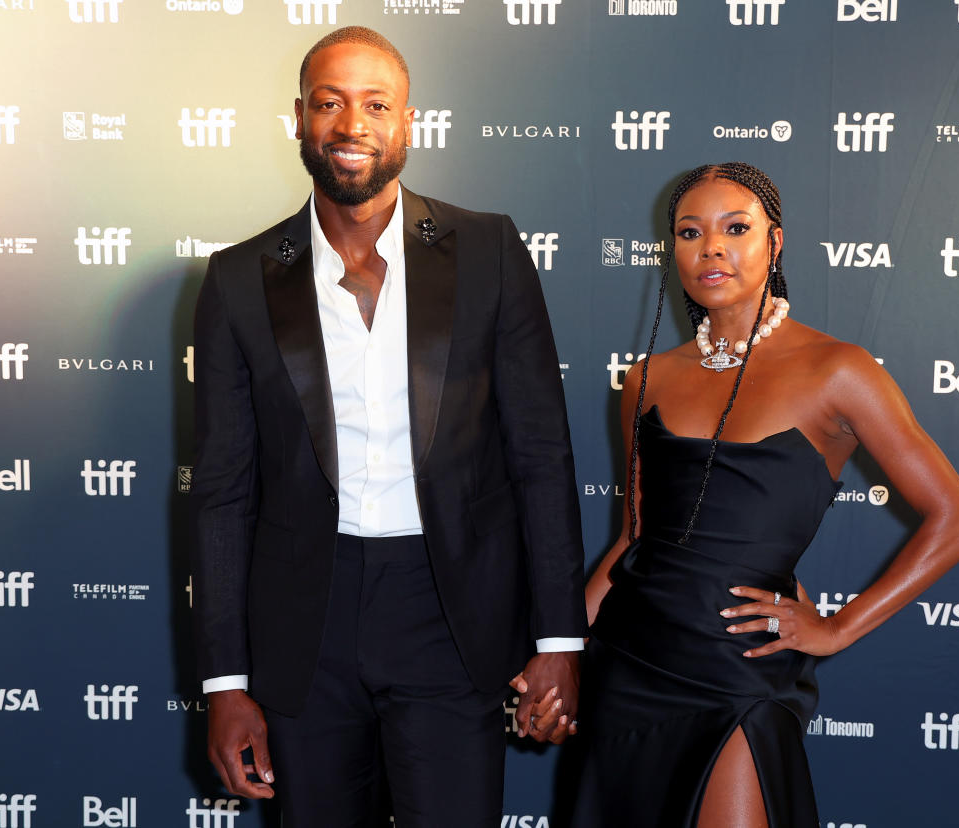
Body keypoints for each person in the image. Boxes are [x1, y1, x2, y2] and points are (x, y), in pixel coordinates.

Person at [188, 26, 585, 827]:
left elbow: (540, 456)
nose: (351, 125)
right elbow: (223, 494)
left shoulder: (489, 251)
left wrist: (560, 642)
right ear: (298, 119)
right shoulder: (237, 279)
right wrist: (226, 684)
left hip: (452, 610)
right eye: (329, 104)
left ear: (409, 122)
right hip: (304, 623)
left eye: (375, 104)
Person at [570, 162, 959, 827]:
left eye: (736, 228)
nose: (710, 248)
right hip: (632, 664)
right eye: (689, 232)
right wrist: (561, 657)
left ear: (776, 242)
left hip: (743, 672)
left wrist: (839, 627)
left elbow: (957, 519)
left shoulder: (839, 370)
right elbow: (633, 540)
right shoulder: (647, 377)